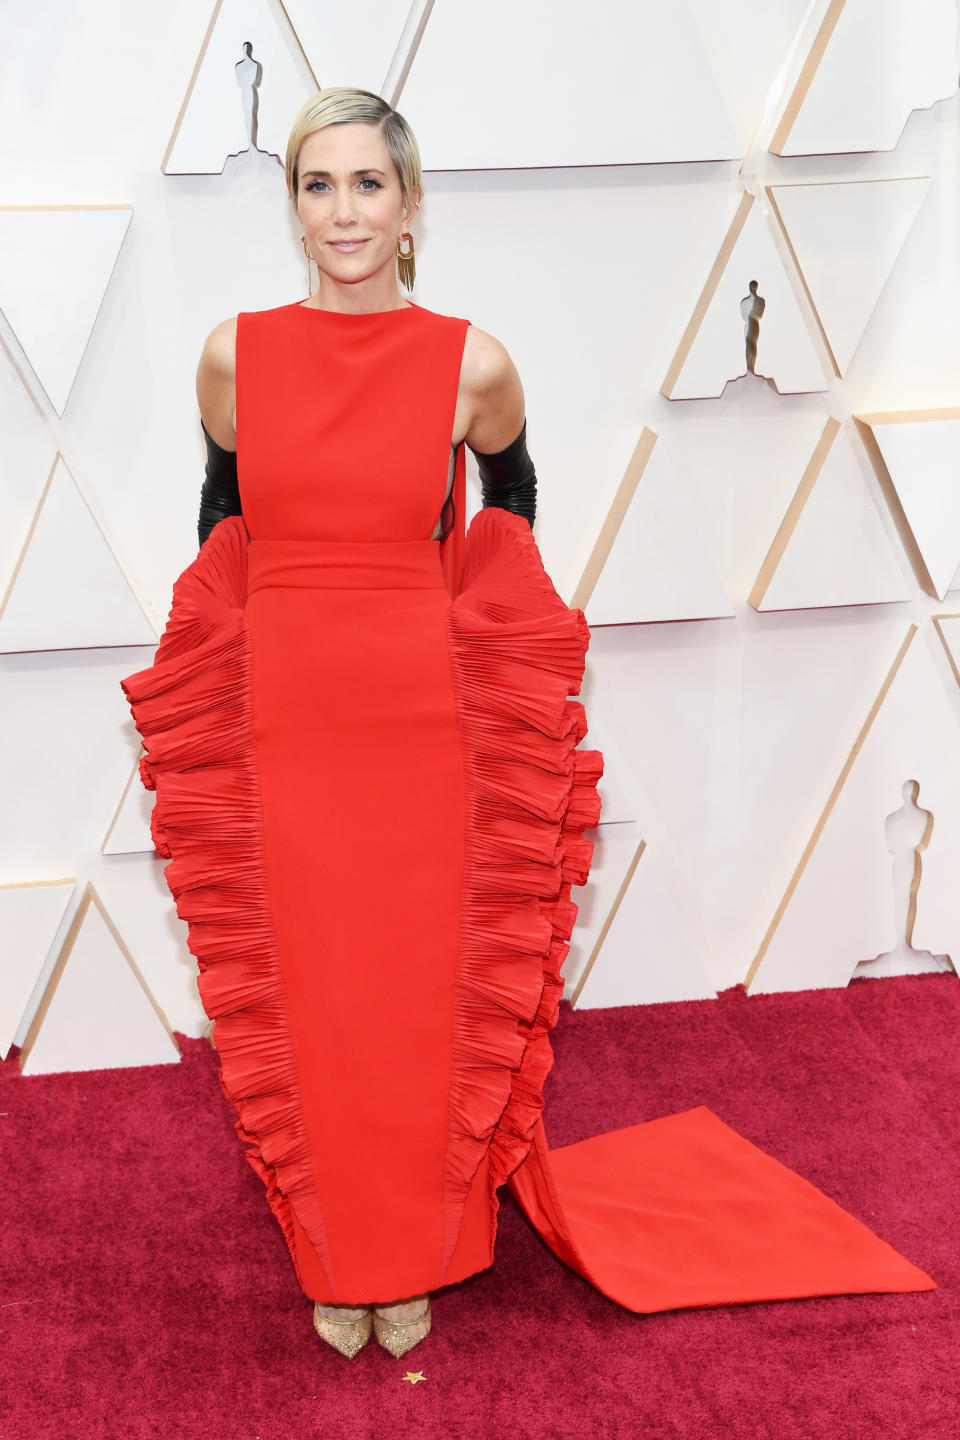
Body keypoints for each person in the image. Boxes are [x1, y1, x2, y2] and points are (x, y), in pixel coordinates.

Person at [121, 87, 934, 1365]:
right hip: (286, 717)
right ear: (293, 206)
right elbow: (225, 506)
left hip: (419, 717)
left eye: (368, 185)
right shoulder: (235, 354)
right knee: (319, 994)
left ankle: (419, 1252)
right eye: (318, 185)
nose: (344, 211)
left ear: (411, 205)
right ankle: (344, 1259)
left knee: (415, 995)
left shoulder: (470, 361)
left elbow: (514, 490)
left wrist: (486, 633)